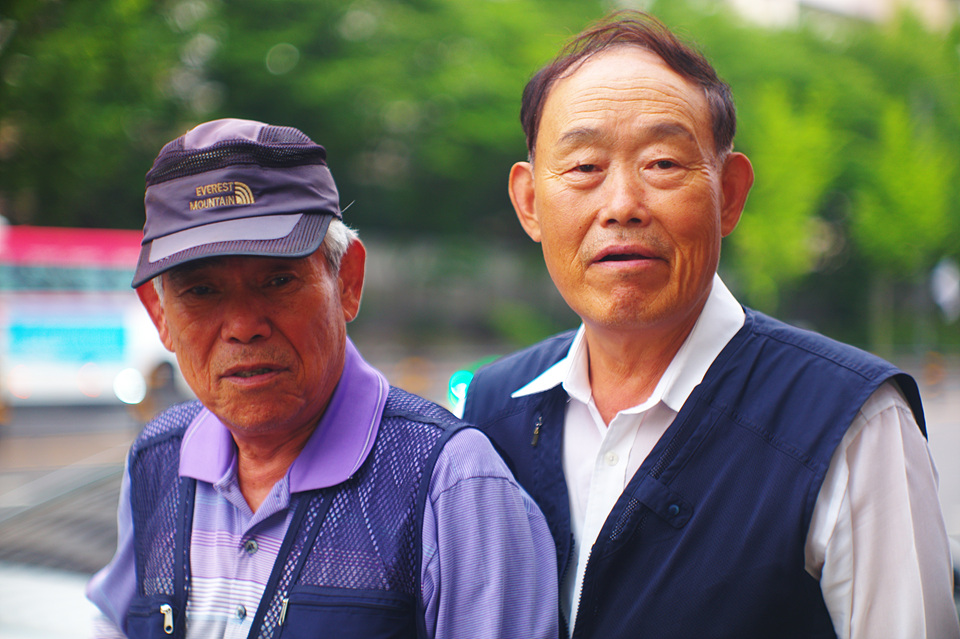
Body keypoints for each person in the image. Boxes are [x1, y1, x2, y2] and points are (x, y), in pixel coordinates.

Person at [462, 11, 959, 639]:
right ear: (530, 202)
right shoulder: (491, 412)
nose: (622, 206)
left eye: (663, 163)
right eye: (585, 167)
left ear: (730, 192)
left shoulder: (850, 422)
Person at [87, 118, 558, 639]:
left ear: (347, 281)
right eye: (201, 291)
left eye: (278, 280)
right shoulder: (158, 460)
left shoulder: (453, 484)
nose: (243, 326)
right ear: (159, 315)